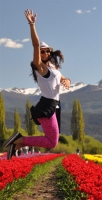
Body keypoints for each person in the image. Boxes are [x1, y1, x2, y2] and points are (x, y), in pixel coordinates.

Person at [2, 9, 71, 160]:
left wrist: (66, 81)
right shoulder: (40, 67)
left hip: (54, 105)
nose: (44, 53)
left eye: (46, 51)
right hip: (46, 106)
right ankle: (20, 140)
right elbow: (35, 45)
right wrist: (32, 25)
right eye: (41, 52)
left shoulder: (54, 69)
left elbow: (63, 78)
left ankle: (18, 142)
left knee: (53, 140)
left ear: (50, 52)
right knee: (52, 142)